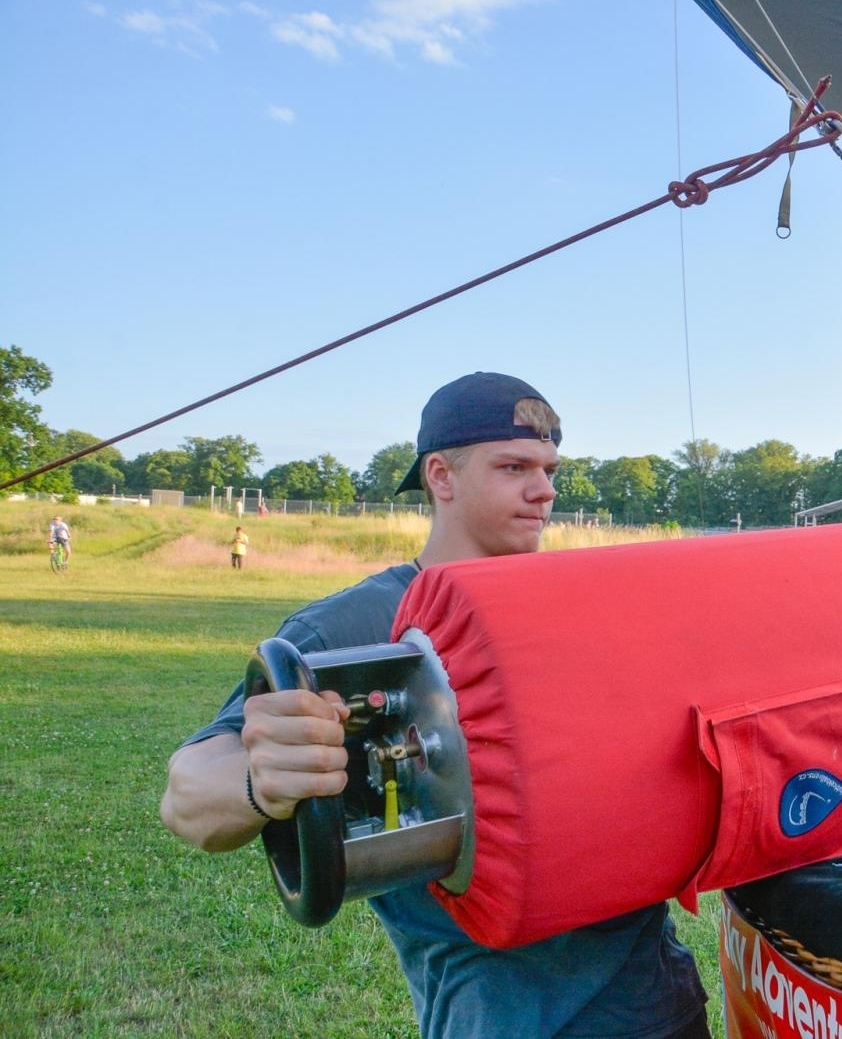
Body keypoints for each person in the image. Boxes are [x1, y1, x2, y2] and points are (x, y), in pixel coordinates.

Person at [161, 373, 710, 1038]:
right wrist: (260, 780)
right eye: (515, 467)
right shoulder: (355, 624)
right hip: (502, 1019)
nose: (545, 490)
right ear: (442, 478)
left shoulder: (584, 607)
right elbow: (187, 795)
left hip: (662, 1005)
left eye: (549, 469)